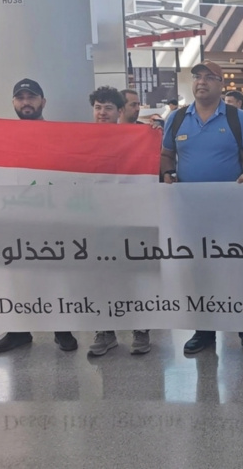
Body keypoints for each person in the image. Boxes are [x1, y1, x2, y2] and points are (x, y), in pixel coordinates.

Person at [160, 60, 243, 357]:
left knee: (239, 269)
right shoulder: (177, 119)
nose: (202, 81)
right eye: (197, 76)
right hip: (191, 213)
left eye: (209, 77)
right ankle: (204, 331)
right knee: (199, 271)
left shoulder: (237, 118)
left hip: (232, 213)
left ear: (221, 85)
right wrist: (168, 174)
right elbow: (166, 155)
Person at [0, 79, 78, 354]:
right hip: (16, 216)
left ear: (43, 102)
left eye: (32, 97)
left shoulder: (59, 134)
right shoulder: (2, 135)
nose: (26, 102)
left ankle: (62, 329)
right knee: (18, 275)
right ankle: (19, 331)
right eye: (20, 97)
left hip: (52, 216)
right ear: (13, 103)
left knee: (56, 273)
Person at [88, 85, 152, 356]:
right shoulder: (83, 138)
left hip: (131, 217)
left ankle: (141, 328)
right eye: (98, 107)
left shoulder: (136, 137)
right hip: (95, 219)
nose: (102, 113)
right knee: (100, 278)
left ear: (120, 111)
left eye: (109, 108)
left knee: (134, 274)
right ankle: (106, 331)